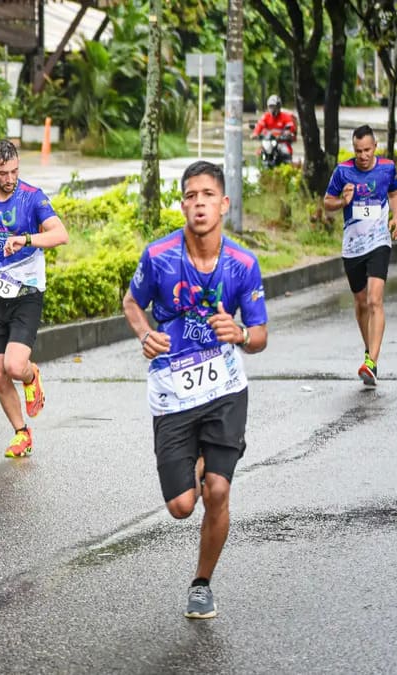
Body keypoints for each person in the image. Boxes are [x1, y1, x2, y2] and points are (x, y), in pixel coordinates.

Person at [122, 161, 268, 620]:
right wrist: (145, 333)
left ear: (224, 204)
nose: (199, 203)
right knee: (182, 506)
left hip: (224, 389)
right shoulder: (159, 257)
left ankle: (201, 583)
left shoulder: (243, 264)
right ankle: (197, 463)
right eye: (190, 195)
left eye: (208, 194)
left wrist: (240, 334)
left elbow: (261, 335)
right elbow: (131, 302)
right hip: (173, 393)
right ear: (182, 204)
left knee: (219, 491)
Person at [0, 139, 68, 458]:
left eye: (15, 171)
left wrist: (27, 239)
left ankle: (32, 375)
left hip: (27, 291)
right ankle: (22, 433)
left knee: (15, 366)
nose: (10, 178)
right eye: (3, 173)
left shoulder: (32, 198)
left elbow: (61, 235)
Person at [322, 125, 397, 387]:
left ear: (375, 147)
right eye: (358, 151)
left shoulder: (387, 168)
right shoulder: (343, 171)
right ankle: (370, 355)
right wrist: (343, 202)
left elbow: (393, 192)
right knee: (360, 303)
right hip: (353, 245)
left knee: (374, 299)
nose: (363, 155)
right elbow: (327, 203)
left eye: (367, 150)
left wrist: (396, 218)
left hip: (379, 240)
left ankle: (371, 363)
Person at [250, 95, 296, 161]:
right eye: (270, 106)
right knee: (259, 152)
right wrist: (255, 134)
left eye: (274, 107)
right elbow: (260, 125)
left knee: (286, 152)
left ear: (278, 107)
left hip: (281, 141)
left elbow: (290, 127)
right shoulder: (266, 116)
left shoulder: (285, 117)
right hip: (268, 141)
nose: (272, 109)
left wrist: (287, 133)